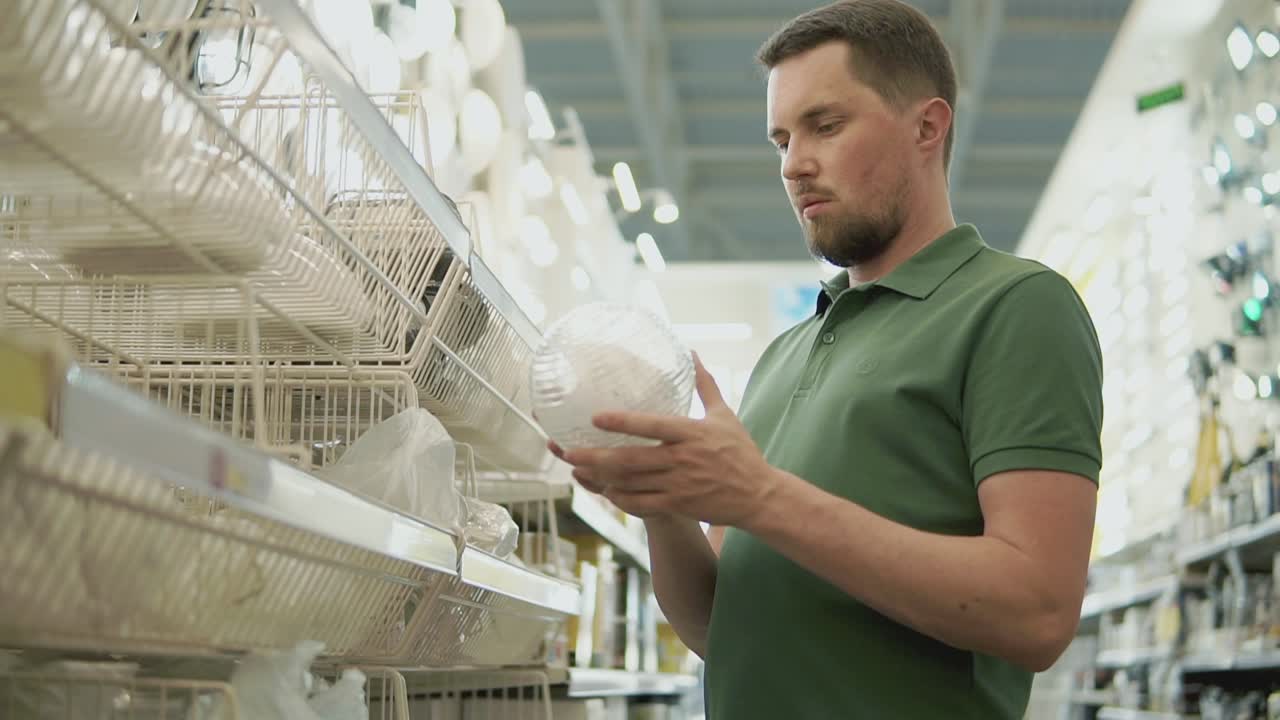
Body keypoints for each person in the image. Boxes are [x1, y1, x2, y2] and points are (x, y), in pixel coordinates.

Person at [551, 1, 1103, 717]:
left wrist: (759, 496)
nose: (794, 164)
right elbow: (720, 627)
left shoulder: (1017, 307)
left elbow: (1038, 613)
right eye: (780, 139)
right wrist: (664, 507)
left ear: (927, 128)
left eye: (825, 126)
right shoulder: (785, 355)